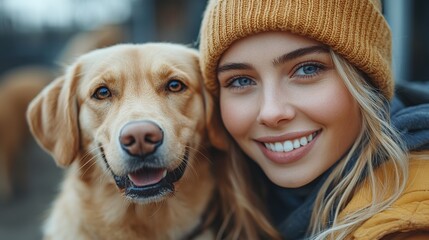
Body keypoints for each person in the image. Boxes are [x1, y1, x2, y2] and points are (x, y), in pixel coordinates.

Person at [198, 0, 429, 239]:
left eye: (307, 69)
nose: (271, 112)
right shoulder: (217, 206)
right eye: (241, 81)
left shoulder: (408, 223)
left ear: (365, 81)